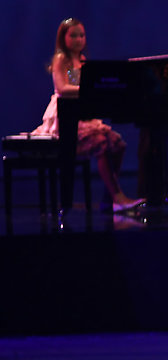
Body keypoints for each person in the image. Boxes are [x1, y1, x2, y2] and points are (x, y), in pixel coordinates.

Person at [31, 17, 144, 213]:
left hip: (81, 111)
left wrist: (93, 91)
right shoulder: (61, 59)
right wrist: (88, 89)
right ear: (63, 38)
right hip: (64, 113)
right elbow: (62, 88)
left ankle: (110, 198)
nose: (78, 39)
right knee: (101, 142)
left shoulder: (82, 60)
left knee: (117, 144)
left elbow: (83, 87)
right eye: (73, 35)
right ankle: (118, 197)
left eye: (81, 35)